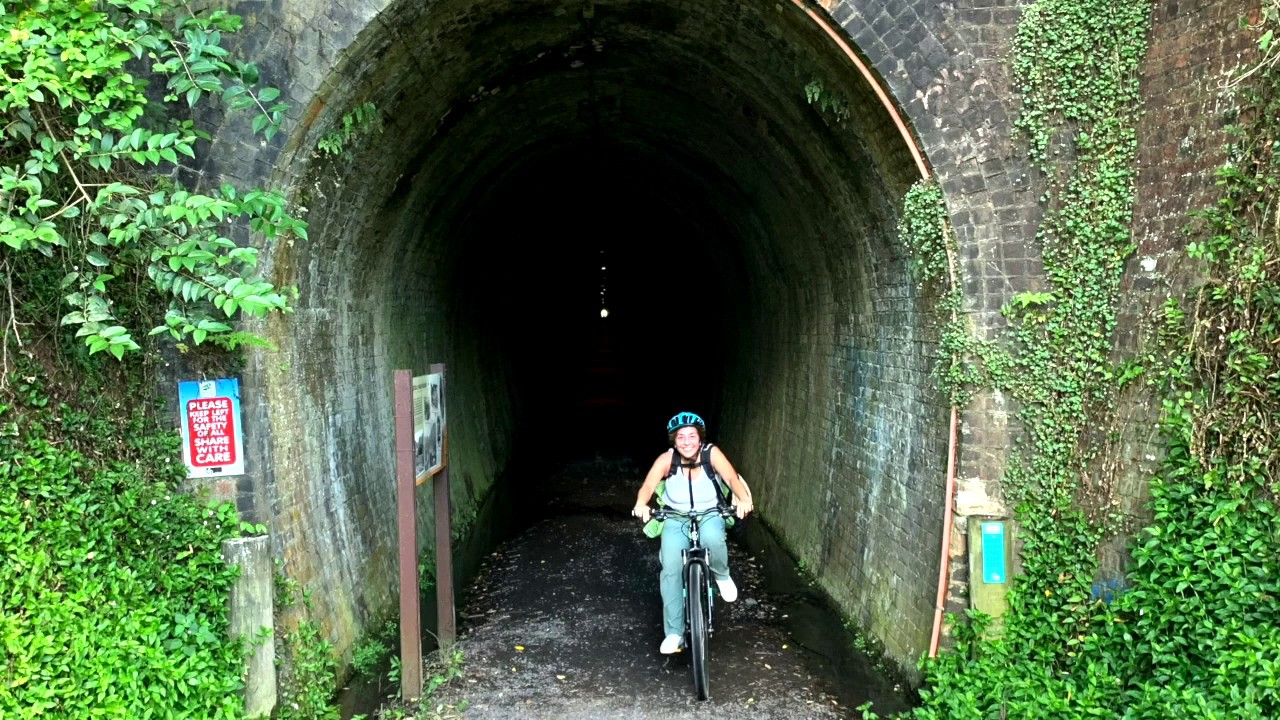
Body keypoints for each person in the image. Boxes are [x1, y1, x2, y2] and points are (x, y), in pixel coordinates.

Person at [632, 412, 754, 654]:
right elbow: (647, 485)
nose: (686, 442)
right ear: (674, 441)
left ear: (700, 439)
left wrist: (742, 499)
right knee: (671, 569)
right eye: (681, 437)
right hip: (676, 517)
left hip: (709, 512)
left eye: (692, 436)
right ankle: (674, 633)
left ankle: (721, 575)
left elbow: (730, 477)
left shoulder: (712, 454)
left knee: (712, 538)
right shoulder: (667, 460)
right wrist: (641, 504)